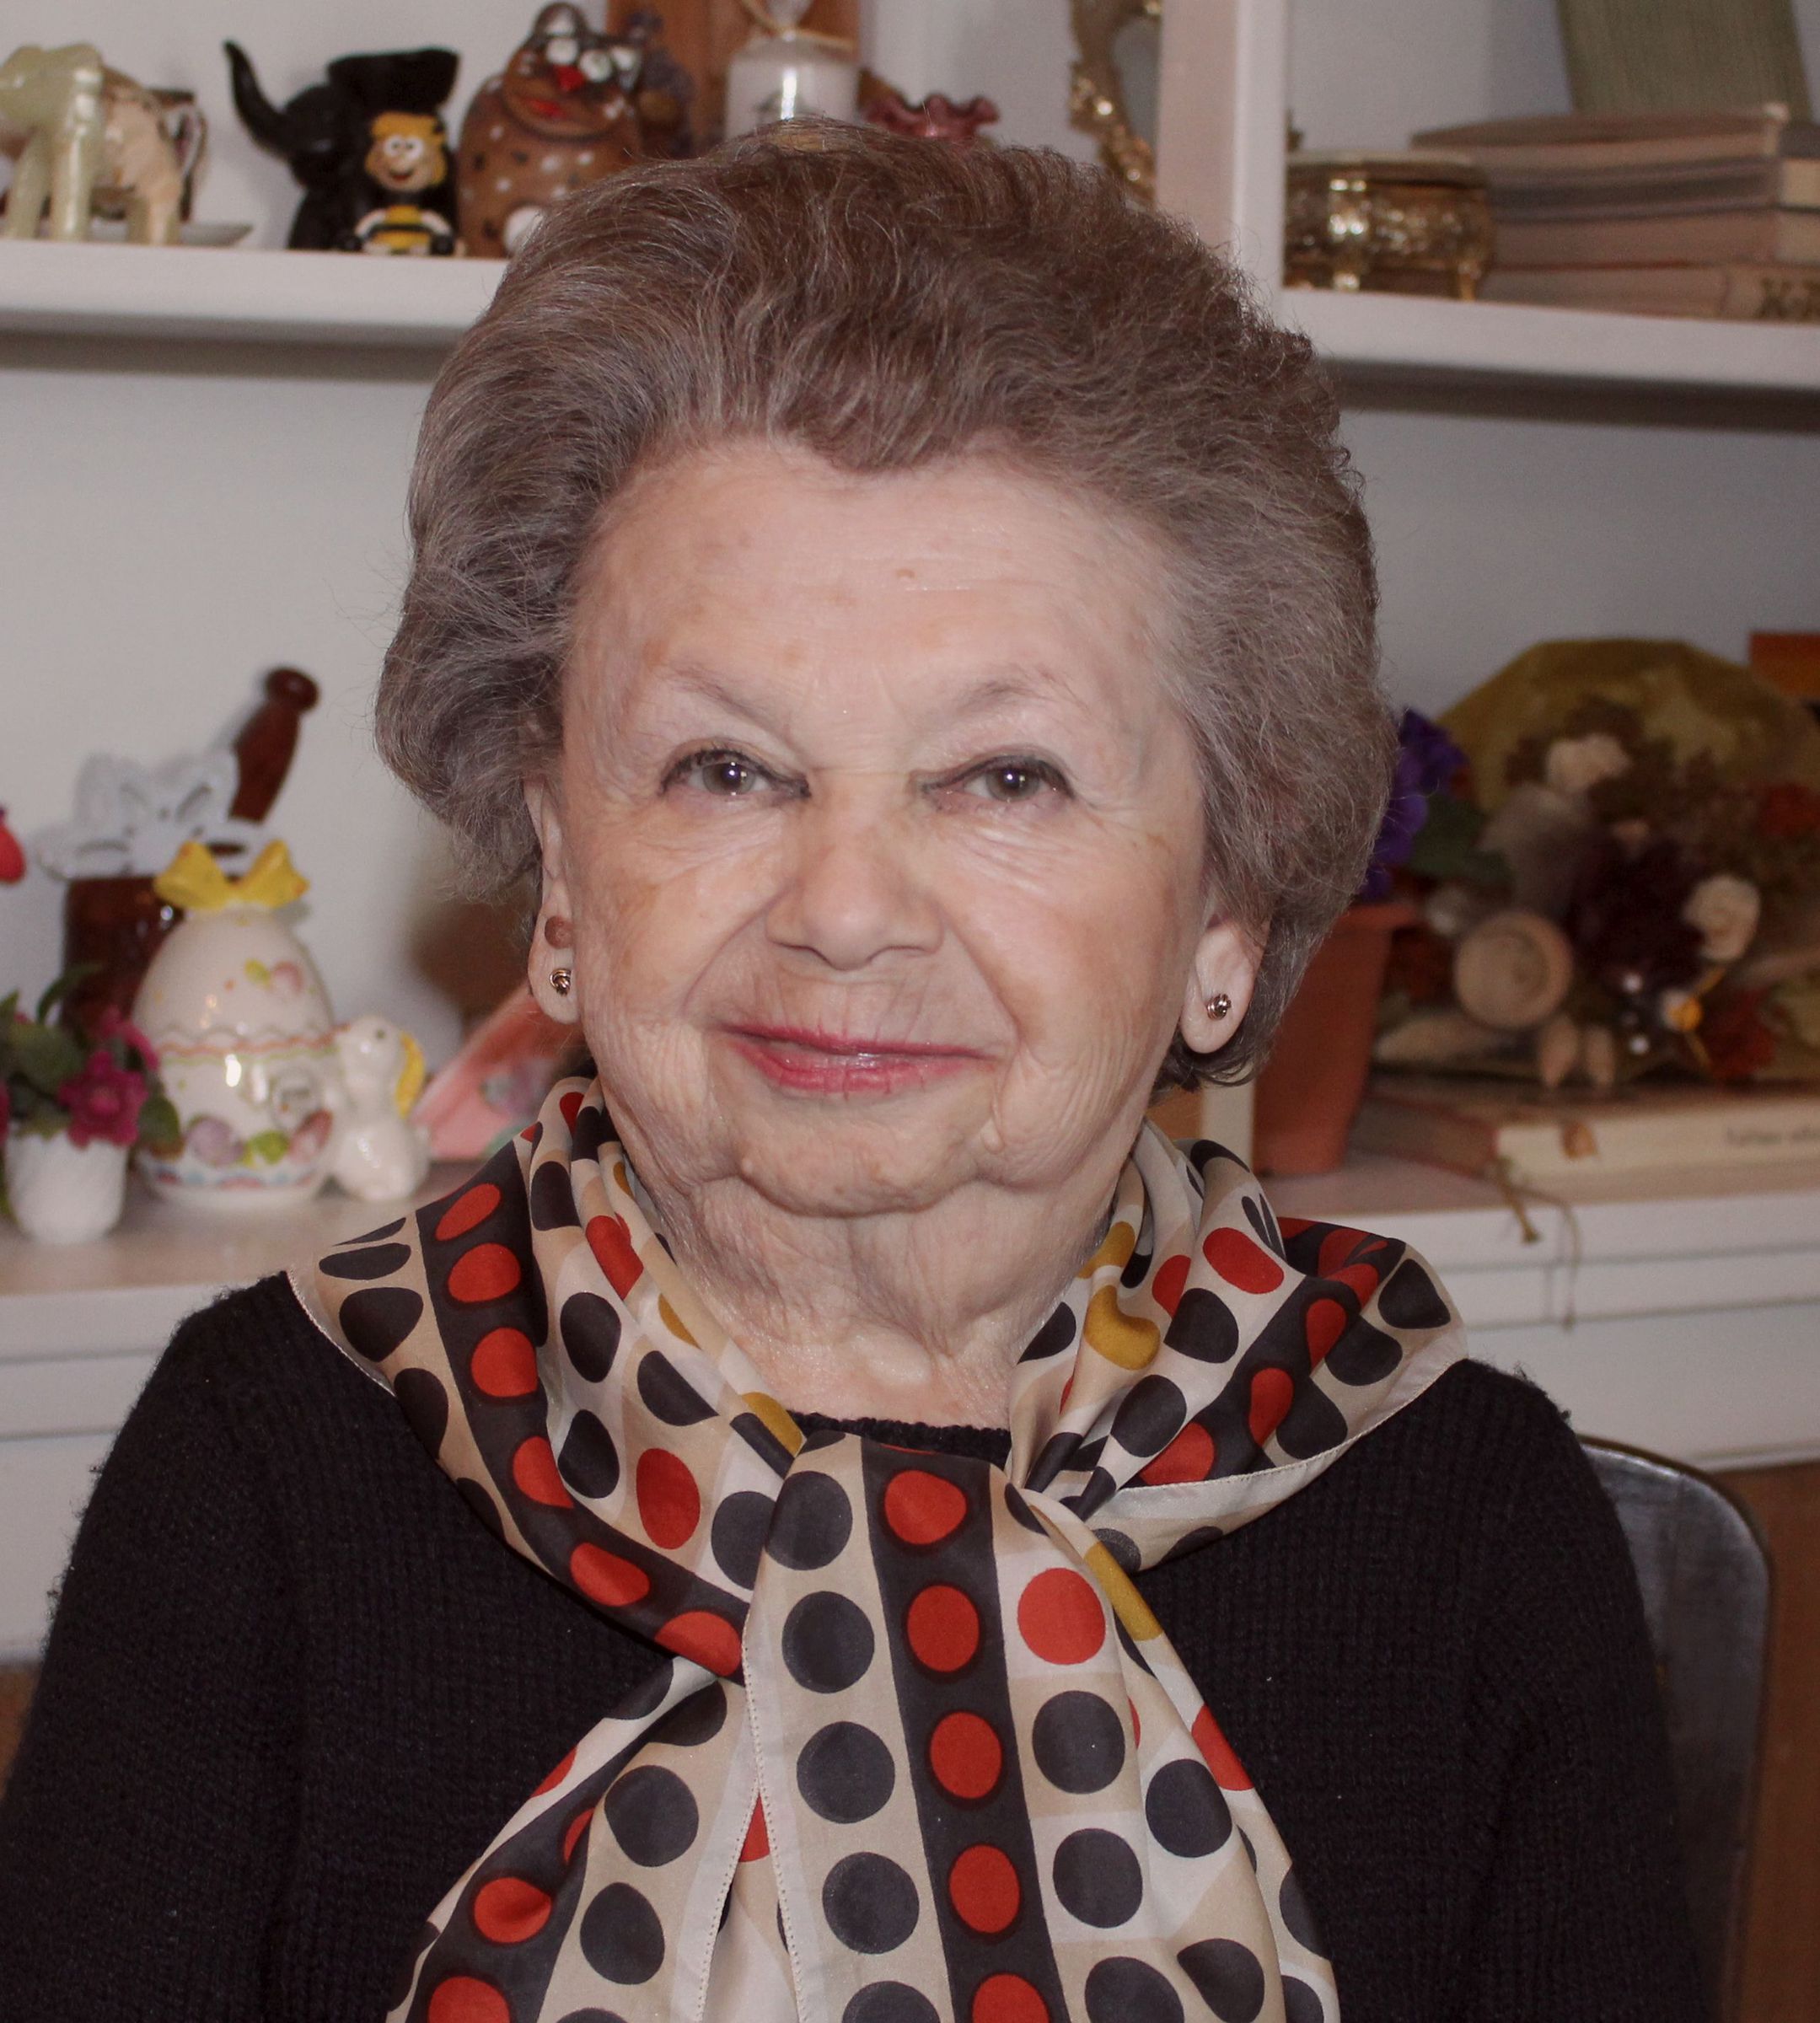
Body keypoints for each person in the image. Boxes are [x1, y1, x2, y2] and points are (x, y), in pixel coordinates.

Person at [0, 128, 1703, 2023]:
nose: (845, 909)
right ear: (561, 864)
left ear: (1225, 906)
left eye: (1005, 777)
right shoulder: (266, 1471)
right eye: (727, 768)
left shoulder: (1466, 1529)